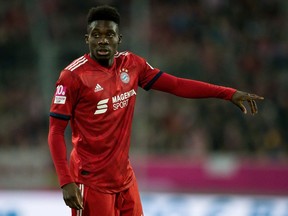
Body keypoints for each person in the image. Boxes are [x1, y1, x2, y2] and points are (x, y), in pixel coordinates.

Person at [48, 5, 264, 216]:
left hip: (124, 180)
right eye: (96, 34)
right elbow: (56, 131)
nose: (103, 40)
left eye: (109, 34)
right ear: (87, 39)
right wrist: (66, 182)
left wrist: (227, 93)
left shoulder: (132, 64)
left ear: (119, 39)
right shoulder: (72, 77)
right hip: (91, 182)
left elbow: (177, 85)